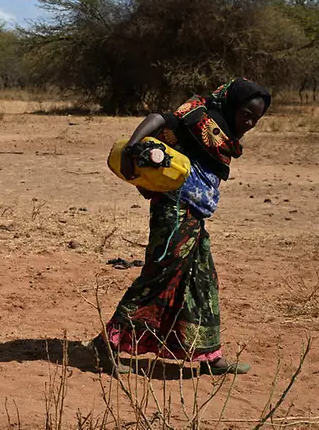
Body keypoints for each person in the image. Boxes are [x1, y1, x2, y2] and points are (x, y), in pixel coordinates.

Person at [91, 78, 271, 376]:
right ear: (232, 105)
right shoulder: (198, 118)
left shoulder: (223, 136)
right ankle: (105, 345)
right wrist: (132, 148)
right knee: (158, 278)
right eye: (246, 114)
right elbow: (159, 118)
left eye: (256, 119)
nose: (250, 123)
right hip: (174, 212)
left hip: (193, 216)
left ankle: (210, 354)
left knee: (203, 282)